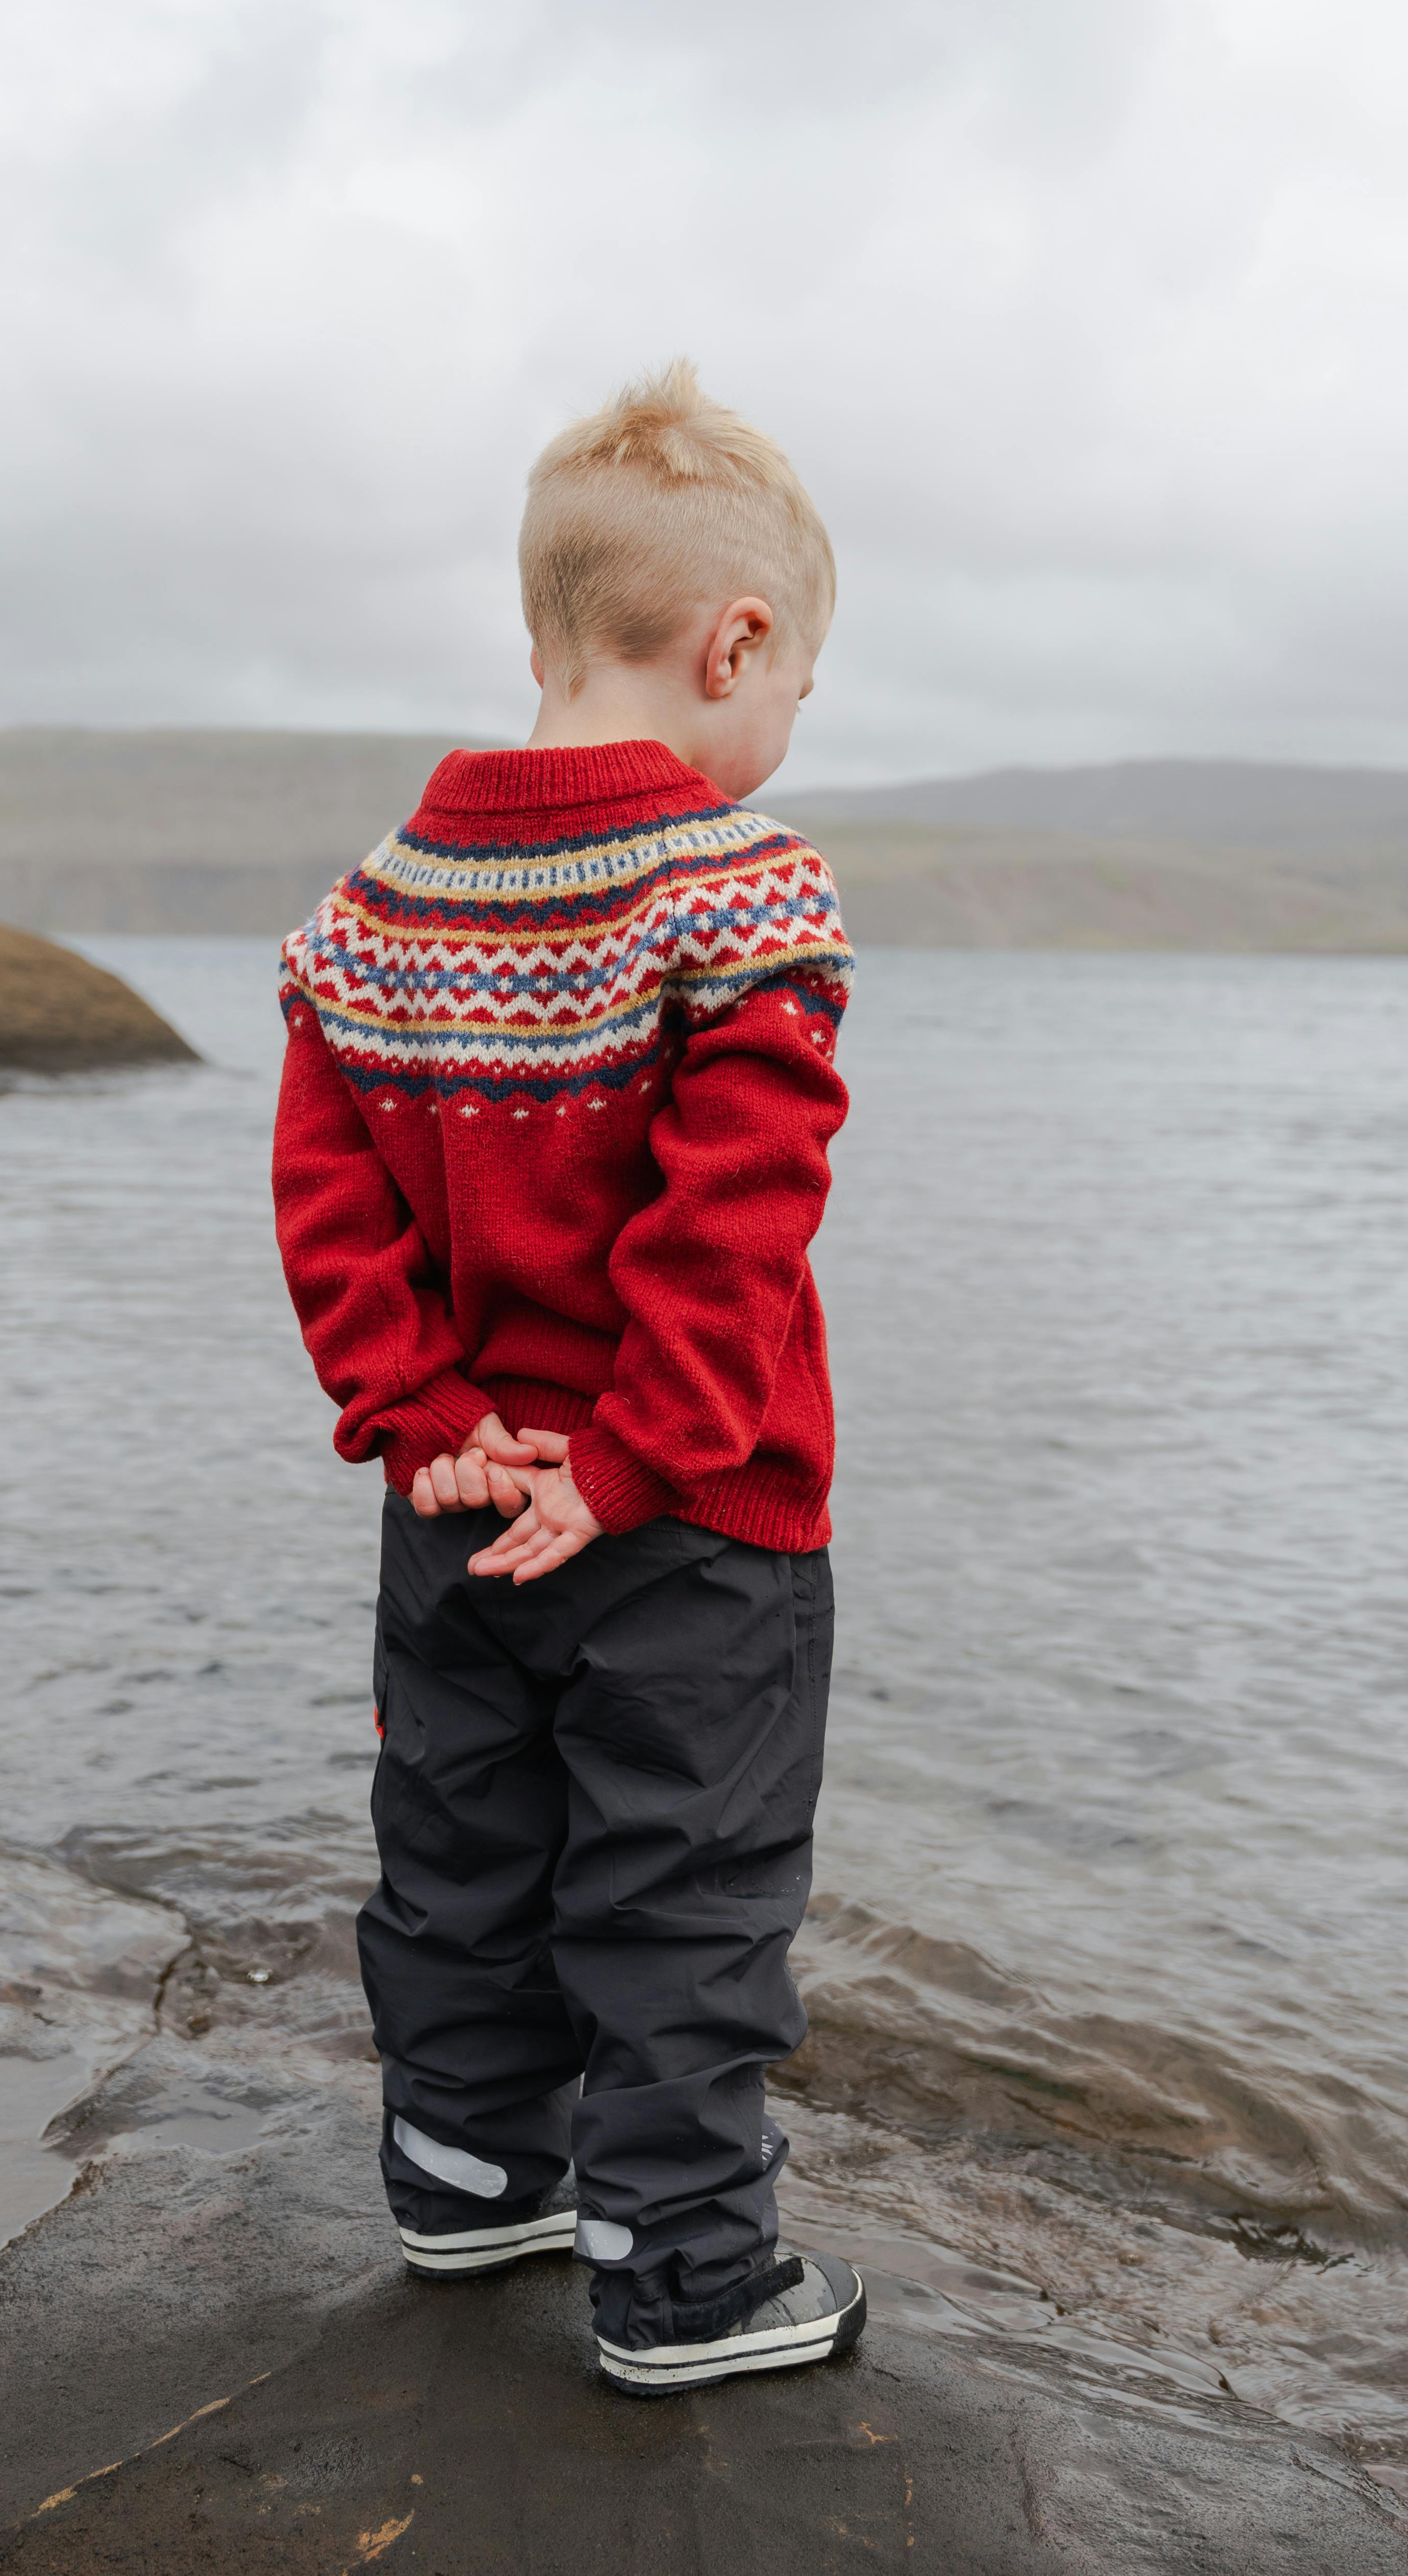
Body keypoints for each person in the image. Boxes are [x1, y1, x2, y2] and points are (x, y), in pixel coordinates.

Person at [269, 360, 862, 2397]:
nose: (780, 737)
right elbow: (733, 1222)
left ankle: (461, 2176)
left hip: (447, 1515)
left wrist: (428, 1428)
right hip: (683, 1524)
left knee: (459, 1858)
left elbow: (326, 1208)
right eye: (792, 692)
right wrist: (631, 1464)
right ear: (733, 642)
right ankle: (682, 2277)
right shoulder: (737, 887)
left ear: (544, 633)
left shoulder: (368, 910)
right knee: (676, 1890)